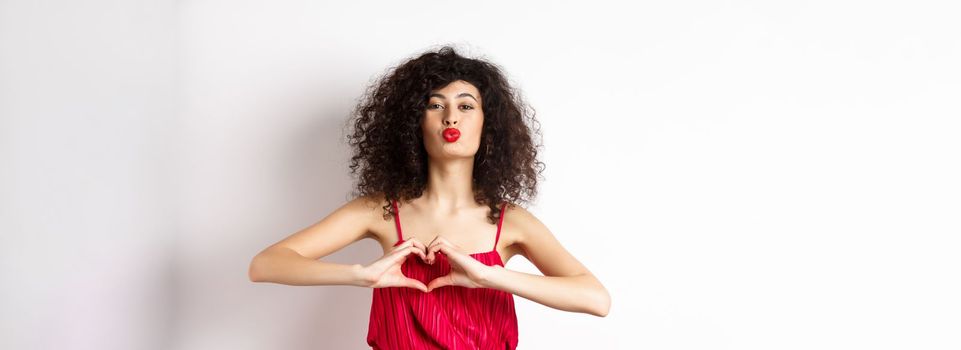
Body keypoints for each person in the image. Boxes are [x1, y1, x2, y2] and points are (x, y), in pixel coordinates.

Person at [248, 45, 611, 349]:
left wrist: (490, 277)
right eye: (435, 105)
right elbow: (265, 264)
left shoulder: (510, 221)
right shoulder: (381, 211)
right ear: (413, 123)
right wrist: (361, 275)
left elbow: (596, 299)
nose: (450, 118)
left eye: (466, 106)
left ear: (489, 125)